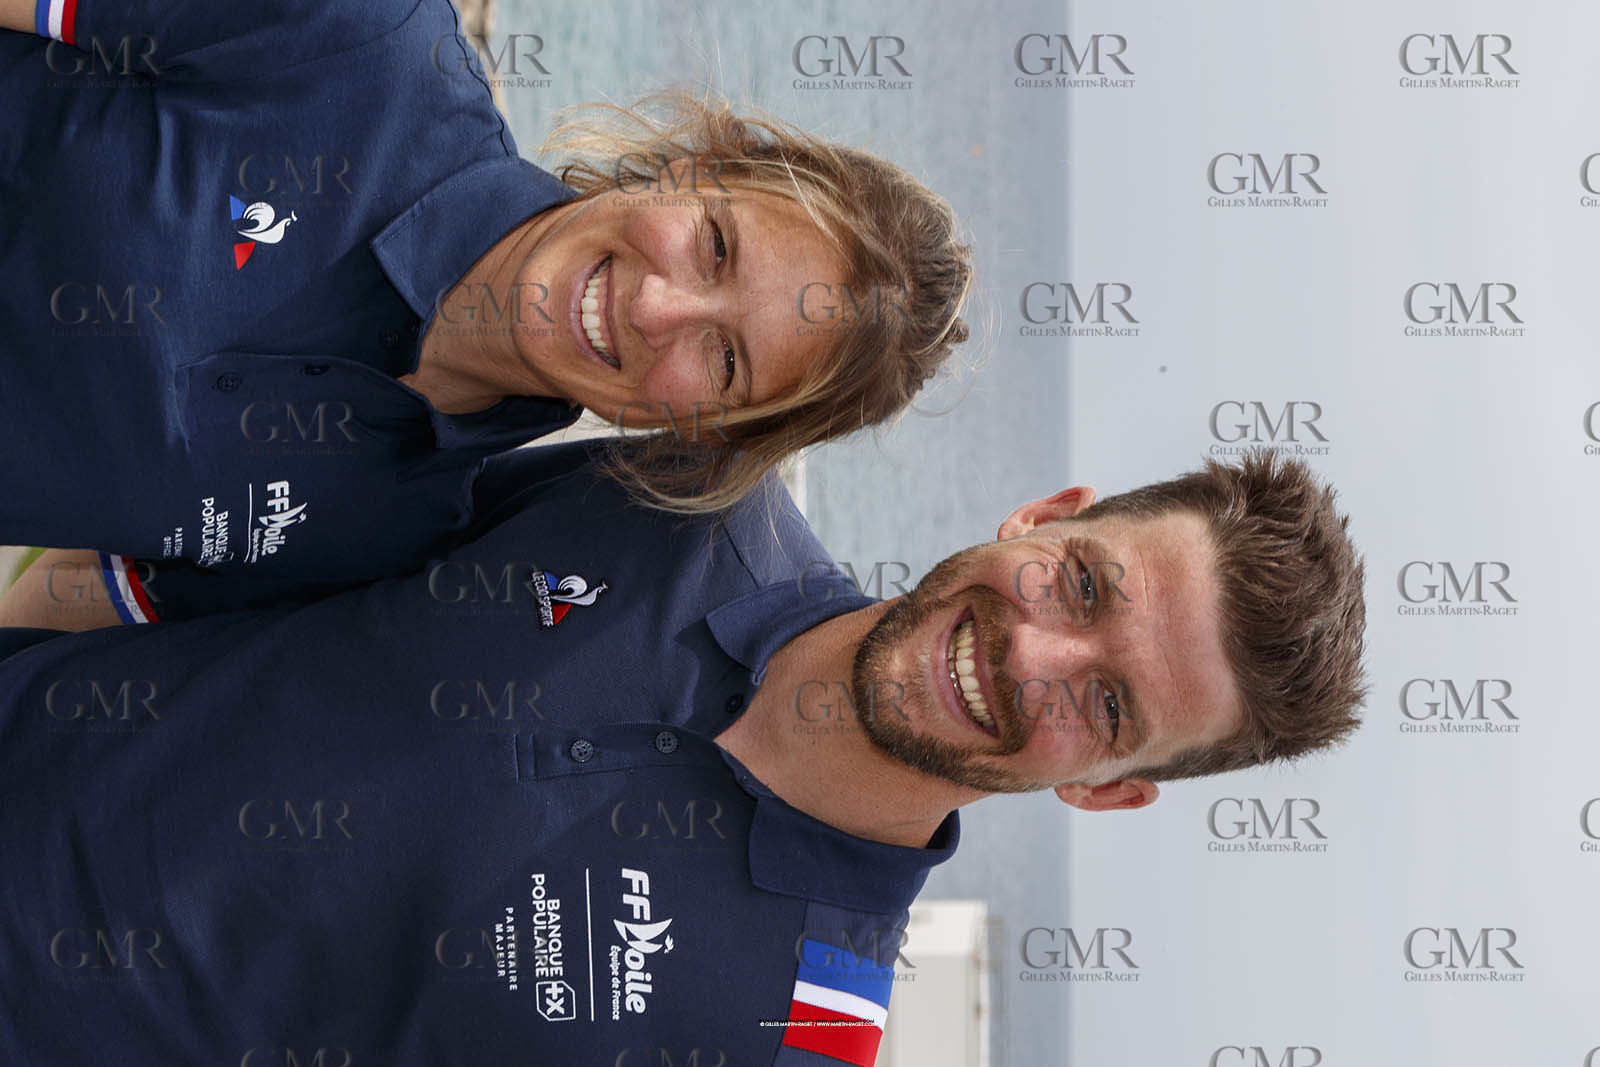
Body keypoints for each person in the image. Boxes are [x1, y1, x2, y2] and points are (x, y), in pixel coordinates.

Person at [0, 442, 1366, 1065]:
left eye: (1111, 705)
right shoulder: (691, 495)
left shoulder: (800, 1033)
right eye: (1082, 583)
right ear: (1043, 514)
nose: (1033, 653)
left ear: (1106, 786)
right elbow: (222, 569)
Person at [0, 0, 973, 622]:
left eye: (724, 359)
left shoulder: (384, 536)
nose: (658, 303)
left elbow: (62, 604)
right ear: (697, 170)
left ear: (705, 426)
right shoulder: (359, 41)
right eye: (714, 244)